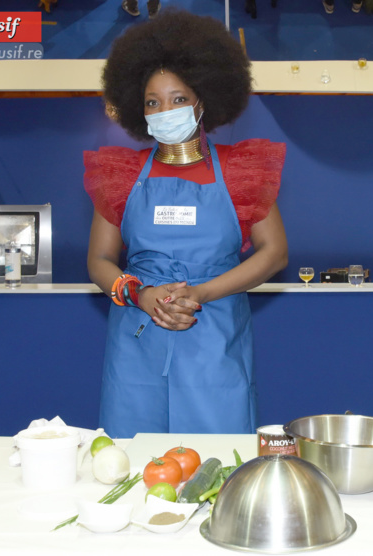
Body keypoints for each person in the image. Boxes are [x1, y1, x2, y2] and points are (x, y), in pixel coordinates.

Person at [85, 9, 288, 438]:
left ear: (202, 101)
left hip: (214, 332)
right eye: (152, 102)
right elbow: (100, 260)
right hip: (139, 331)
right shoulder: (120, 176)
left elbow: (275, 252)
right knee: (136, 461)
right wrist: (139, 294)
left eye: (178, 99)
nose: (165, 110)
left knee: (218, 459)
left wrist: (202, 292)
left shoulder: (242, 170)